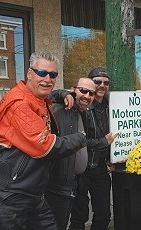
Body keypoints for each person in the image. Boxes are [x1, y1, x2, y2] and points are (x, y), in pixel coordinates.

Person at [0, 51, 87, 229]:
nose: (47, 79)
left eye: (53, 75)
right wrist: (80, 138)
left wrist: (63, 94)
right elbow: (45, 146)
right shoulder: (20, 104)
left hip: (32, 193)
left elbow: (49, 95)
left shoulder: (36, 97)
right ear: (29, 74)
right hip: (8, 196)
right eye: (41, 73)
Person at [45, 77, 96, 230]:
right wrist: (62, 93)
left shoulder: (84, 113)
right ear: (73, 90)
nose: (87, 96)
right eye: (83, 90)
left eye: (91, 93)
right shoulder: (60, 109)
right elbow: (46, 97)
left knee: (75, 220)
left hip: (76, 183)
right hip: (56, 185)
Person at [69, 68, 116, 230]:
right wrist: (103, 142)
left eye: (106, 82)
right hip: (81, 169)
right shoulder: (80, 104)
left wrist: (113, 157)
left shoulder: (114, 104)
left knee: (103, 214)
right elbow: (78, 140)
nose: (102, 85)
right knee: (79, 216)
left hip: (101, 168)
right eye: (97, 82)